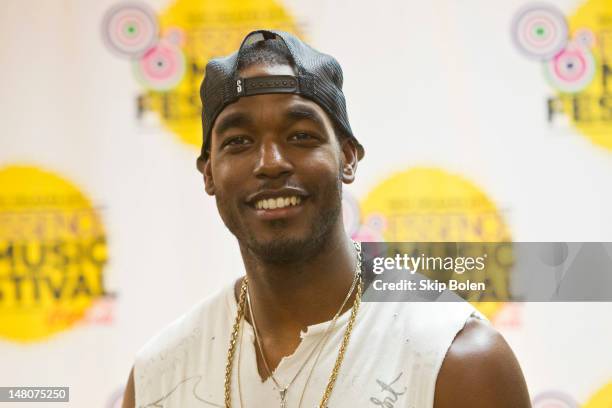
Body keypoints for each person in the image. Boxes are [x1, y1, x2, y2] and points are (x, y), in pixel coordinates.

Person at [122, 30, 531, 408]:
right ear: (209, 173)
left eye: (300, 136)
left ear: (347, 157)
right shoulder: (158, 377)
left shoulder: (456, 360)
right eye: (239, 142)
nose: (271, 163)